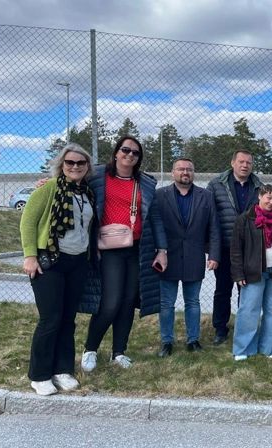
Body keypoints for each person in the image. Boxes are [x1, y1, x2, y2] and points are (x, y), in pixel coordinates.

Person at [80, 136, 167, 372]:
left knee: (128, 301)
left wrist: (162, 250)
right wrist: (49, 183)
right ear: (116, 152)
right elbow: (72, 180)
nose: (130, 155)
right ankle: (90, 349)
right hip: (109, 249)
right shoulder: (98, 176)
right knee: (110, 303)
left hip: (136, 249)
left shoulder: (145, 183)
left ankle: (119, 352)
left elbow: (155, 218)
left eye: (135, 153)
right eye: (125, 150)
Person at [20, 143, 96, 395]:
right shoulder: (49, 188)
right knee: (50, 318)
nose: (75, 166)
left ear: (87, 167)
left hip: (78, 262)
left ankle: (63, 369)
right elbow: (28, 222)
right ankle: (39, 374)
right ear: (61, 165)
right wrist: (30, 256)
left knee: (67, 319)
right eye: (70, 162)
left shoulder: (87, 192)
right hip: (50, 261)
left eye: (80, 163)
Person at [155, 158, 220, 357]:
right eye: (181, 169)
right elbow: (154, 226)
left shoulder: (206, 196)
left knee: (193, 302)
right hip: (167, 257)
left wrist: (214, 255)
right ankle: (167, 341)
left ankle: (193, 340)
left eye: (189, 169)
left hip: (194, 256)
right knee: (166, 303)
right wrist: (158, 251)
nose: (185, 172)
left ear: (193, 173)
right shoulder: (160, 195)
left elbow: (214, 228)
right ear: (173, 172)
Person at [207, 150, 262, 345]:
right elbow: (210, 217)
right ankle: (220, 328)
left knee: (246, 291)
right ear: (233, 163)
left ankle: (244, 328)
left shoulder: (259, 187)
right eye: (241, 161)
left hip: (249, 249)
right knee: (222, 290)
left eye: (248, 162)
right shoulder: (216, 185)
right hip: (224, 247)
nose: (245, 165)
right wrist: (212, 251)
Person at [230, 184, 272, 360]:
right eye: (268, 198)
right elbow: (236, 249)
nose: (271, 202)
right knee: (249, 310)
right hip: (253, 272)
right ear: (260, 197)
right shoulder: (245, 219)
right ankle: (243, 349)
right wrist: (238, 274)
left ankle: (268, 347)